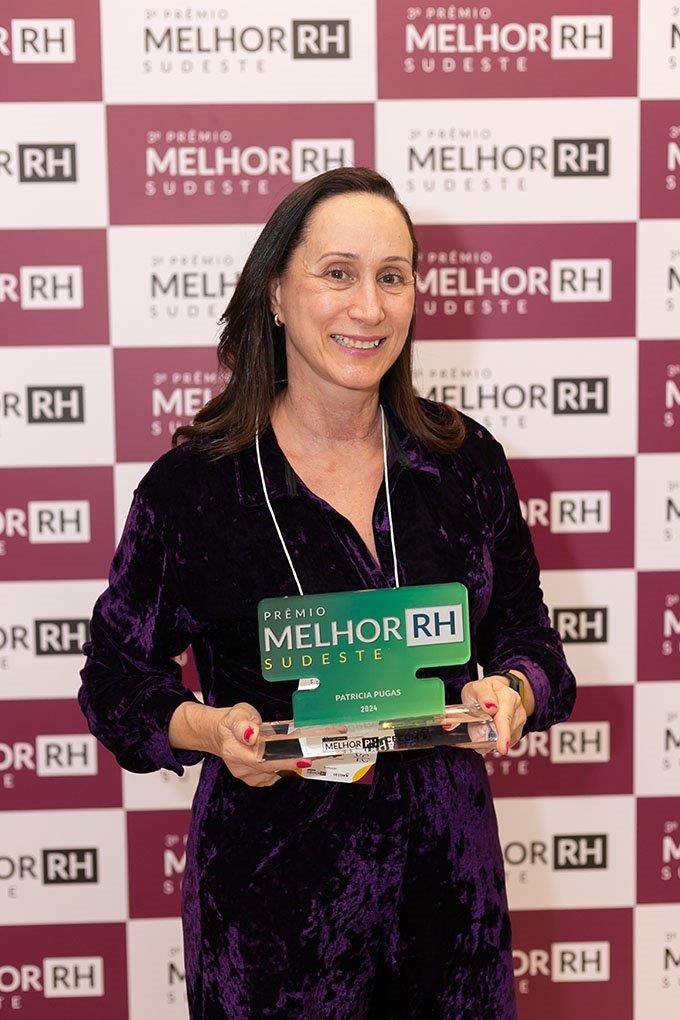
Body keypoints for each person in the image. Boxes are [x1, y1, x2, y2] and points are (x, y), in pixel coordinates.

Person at [79, 166, 576, 1019]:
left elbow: (534, 644)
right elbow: (115, 681)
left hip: (450, 915)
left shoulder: (464, 463)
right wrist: (209, 729)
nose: (369, 307)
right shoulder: (194, 490)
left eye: (393, 277)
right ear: (276, 293)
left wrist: (515, 688)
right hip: (273, 925)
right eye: (338, 273)